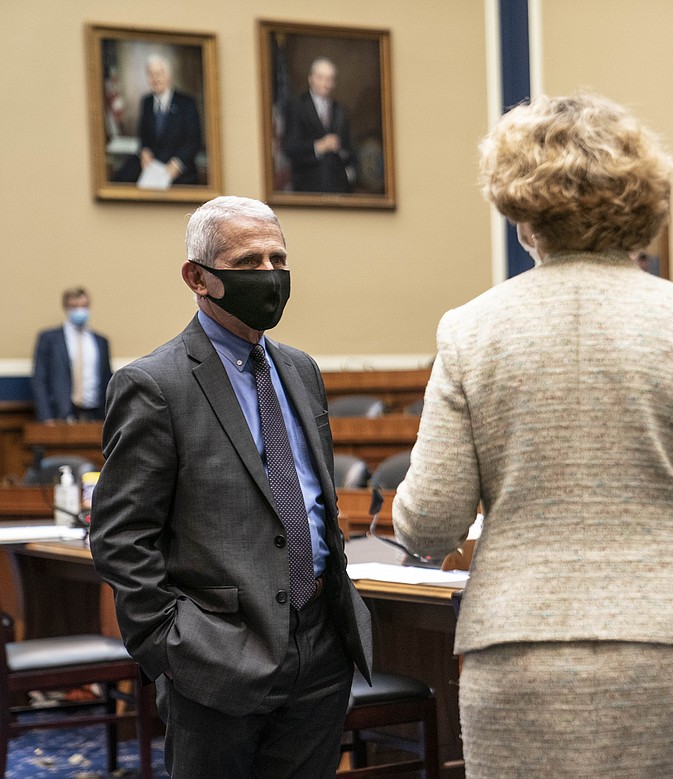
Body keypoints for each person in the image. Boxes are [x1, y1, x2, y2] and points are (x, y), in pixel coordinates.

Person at [392, 93, 673, 777]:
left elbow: (428, 523)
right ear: (644, 205)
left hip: (518, 656)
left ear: (521, 217)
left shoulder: (470, 330)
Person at [89, 196, 372, 778]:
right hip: (215, 655)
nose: (270, 275)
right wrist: (171, 644)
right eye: (248, 263)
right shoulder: (154, 384)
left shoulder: (300, 370)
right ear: (198, 278)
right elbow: (120, 537)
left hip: (320, 643)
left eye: (278, 258)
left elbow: (313, 498)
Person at [114, 54, 203, 186]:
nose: (155, 79)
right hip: (151, 166)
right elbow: (143, 135)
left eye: (159, 74)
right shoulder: (147, 102)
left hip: (178, 168)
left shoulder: (186, 103)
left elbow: (194, 141)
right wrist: (144, 151)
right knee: (120, 179)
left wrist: (178, 163)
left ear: (169, 76)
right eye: (151, 74)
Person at [31, 287, 113, 422]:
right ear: (65, 307)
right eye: (74, 306)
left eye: (84, 306)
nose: (80, 310)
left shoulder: (101, 341)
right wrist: (46, 416)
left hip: (95, 415)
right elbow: (40, 379)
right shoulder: (50, 340)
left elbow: (106, 378)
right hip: (60, 415)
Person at [283, 58, 355, 193]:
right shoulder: (297, 106)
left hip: (338, 187)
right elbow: (290, 147)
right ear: (311, 79)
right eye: (321, 78)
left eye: (329, 79)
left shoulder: (340, 110)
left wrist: (339, 149)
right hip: (307, 186)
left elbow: (349, 149)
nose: (325, 83)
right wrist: (318, 146)